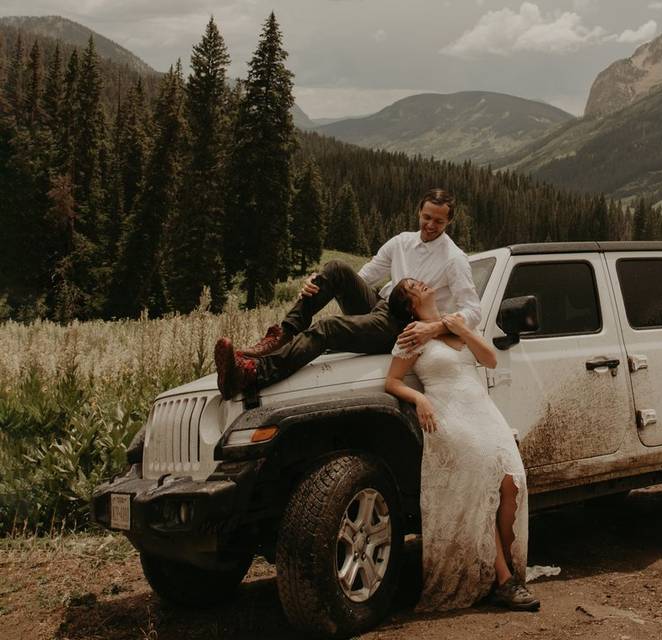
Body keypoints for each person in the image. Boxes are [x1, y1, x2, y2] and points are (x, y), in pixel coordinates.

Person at [215, 188, 481, 399]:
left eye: (439, 221)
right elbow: (363, 277)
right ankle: (283, 335)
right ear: (419, 212)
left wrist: (433, 328)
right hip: (381, 306)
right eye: (427, 217)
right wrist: (317, 282)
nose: (430, 225)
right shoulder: (401, 242)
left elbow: (473, 311)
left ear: (449, 221)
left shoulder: (454, 259)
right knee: (337, 268)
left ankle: (253, 374)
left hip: (404, 326)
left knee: (328, 328)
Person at [384, 277, 540, 612]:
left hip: (483, 411)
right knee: (481, 490)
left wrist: (457, 327)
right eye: (414, 286)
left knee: (513, 482)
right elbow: (392, 381)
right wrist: (419, 400)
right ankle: (503, 581)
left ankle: (506, 569)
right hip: (448, 415)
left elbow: (490, 359)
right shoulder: (412, 335)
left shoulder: (454, 323)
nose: (424, 284)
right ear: (410, 304)